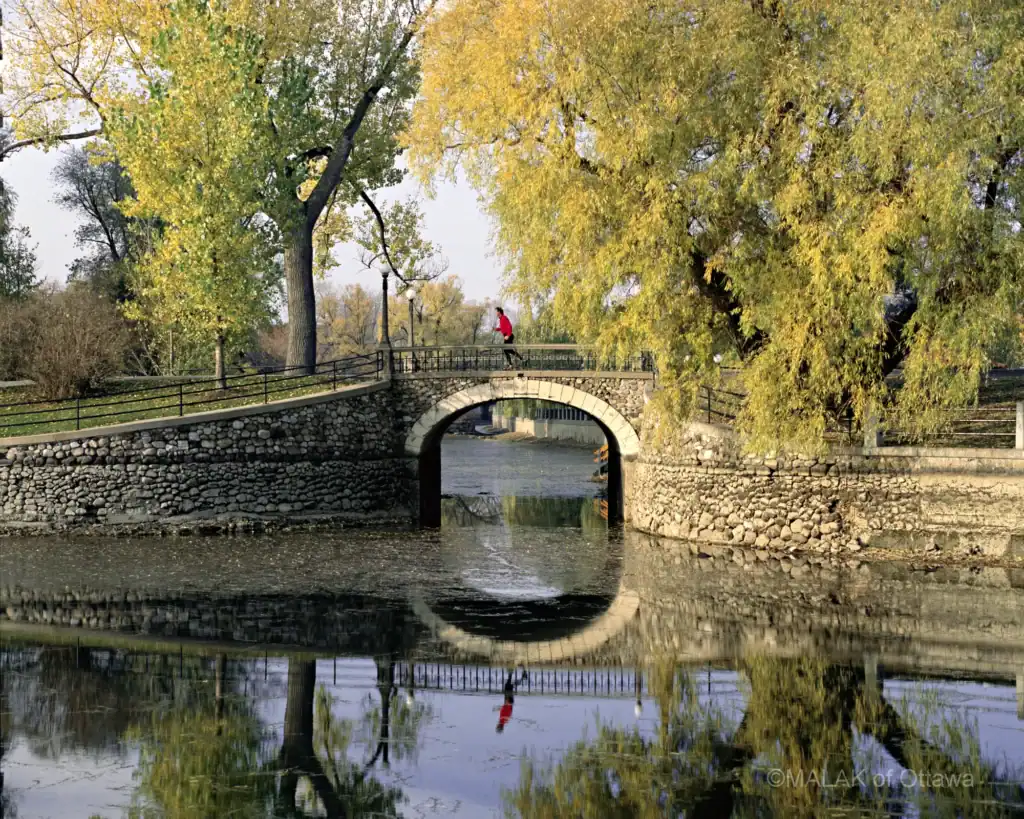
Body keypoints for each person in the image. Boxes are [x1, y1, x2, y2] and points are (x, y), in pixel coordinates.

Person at [495, 666, 527, 733]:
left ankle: (513, 672)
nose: (496, 725)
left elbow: (506, 711)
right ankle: (519, 676)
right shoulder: (503, 720)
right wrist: (508, 702)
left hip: (508, 701)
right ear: (499, 726)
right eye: (497, 726)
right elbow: (508, 711)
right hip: (508, 701)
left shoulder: (503, 721)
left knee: (509, 685)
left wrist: (499, 708)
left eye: (497, 726)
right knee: (509, 686)